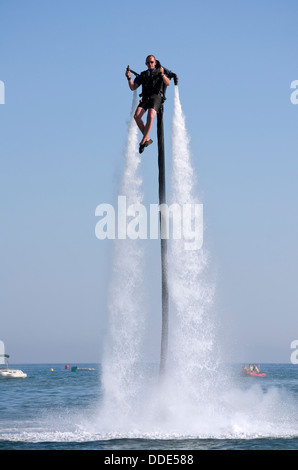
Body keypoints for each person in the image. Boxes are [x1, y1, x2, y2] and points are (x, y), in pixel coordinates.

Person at [125, 54, 170, 154]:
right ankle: (147, 139)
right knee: (137, 116)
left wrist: (162, 74)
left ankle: (142, 141)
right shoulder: (143, 74)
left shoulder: (159, 72)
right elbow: (133, 87)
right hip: (146, 97)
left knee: (150, 115)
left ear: (155, 63)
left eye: (152, 62)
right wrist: (129, 78)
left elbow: (168, 83)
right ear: (146, 63)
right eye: (148, 62)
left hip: (156, 97)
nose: (150, 64)